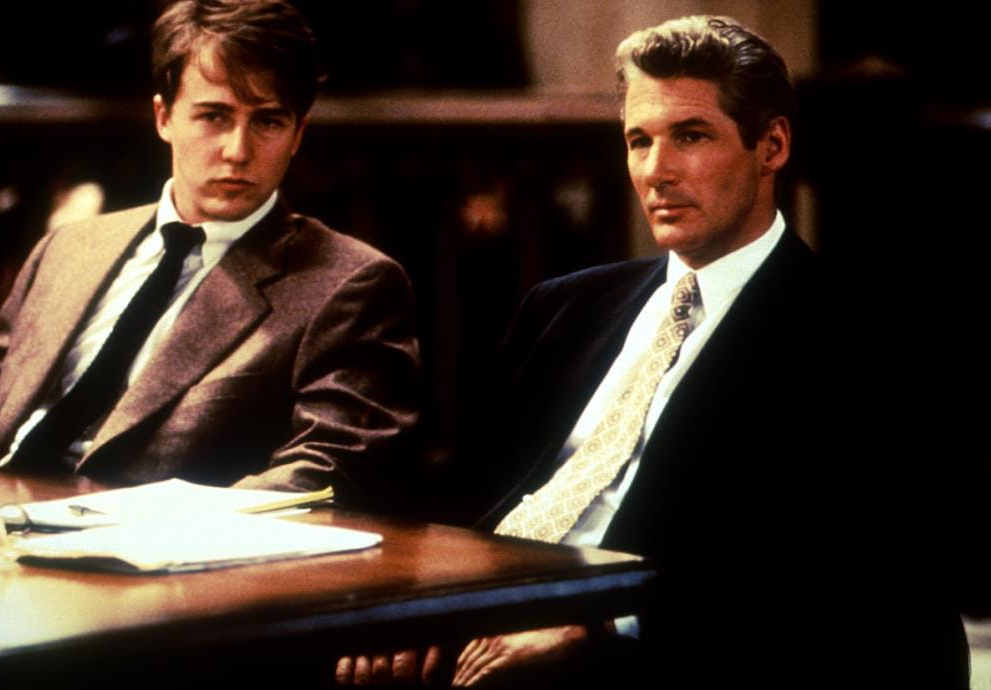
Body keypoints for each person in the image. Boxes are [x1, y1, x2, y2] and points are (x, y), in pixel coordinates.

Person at [337, 14, 966, 688]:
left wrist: (598, 627)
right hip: (480, 615)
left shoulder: (861, 339)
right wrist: (405, 609)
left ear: (772, 145)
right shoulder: (565, 307)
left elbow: (845, 580)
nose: (656, 171)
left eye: (691, 136)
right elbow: (468, 495)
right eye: (639, 141)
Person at [0, 0, 420, 510]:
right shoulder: (69, 247)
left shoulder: (350, 284)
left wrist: (150, 527)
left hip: (150, 543)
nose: (237, 151)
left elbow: (331, 469)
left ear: (297, 134)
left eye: (268, 121)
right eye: (214, 116)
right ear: (164, 117)